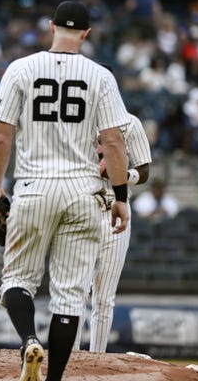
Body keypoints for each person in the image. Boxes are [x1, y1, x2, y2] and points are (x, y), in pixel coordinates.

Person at [0, 0, 130, 381]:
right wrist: (121, 197)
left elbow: (1, 138)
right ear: (85, 33)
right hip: (84, 192)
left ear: (51, 26)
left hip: (34, 187)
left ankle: (29, 339)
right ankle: (54, 379)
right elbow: (114, 143)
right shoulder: (101, 75)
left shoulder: (21, 68)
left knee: (17, 281)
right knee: (68, 297)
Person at [74, 114, 152, 353]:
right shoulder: (75, 117)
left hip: (114, 210)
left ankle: (97, 358)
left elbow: (145, 170)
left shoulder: (130, 123)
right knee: (76, 291)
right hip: (81, 211)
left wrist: (122, 175)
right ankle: (70, 356)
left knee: (104, 296)